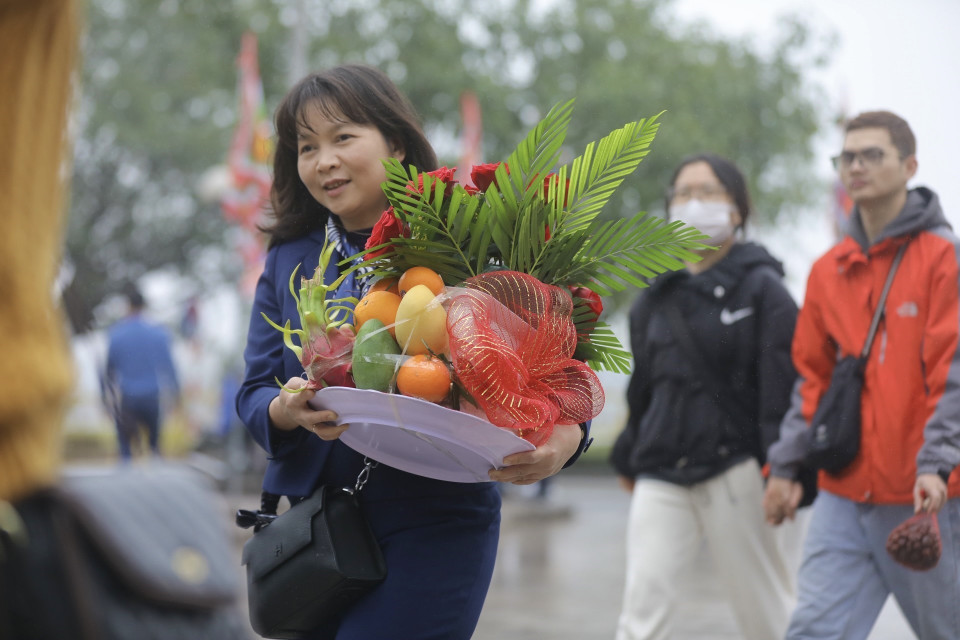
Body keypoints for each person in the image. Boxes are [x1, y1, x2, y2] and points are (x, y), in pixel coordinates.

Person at [235, 64, 592, 640]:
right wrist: (285, 409)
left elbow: (554, 357)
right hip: (315, 529)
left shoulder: (463, 232)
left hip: (436, 517)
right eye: (306, 147)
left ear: (395, 142)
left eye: (342, 138)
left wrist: (567, 437)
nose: (323, 160)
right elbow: (253, 392)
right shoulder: (288, 259)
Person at [763, 111, 960, 639]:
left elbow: (955, 375)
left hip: (928, 493)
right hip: (843, 493)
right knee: (812, 630)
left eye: (873, 154)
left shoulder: (945, 260)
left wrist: (938, 462)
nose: (857, 165)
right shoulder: (829, 270)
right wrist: (785, 464)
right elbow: (812, 379)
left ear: (909, 165)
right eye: (847, 156)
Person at [609, 153, 799, 640]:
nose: (694, 202)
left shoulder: (766, 290)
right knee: (641, 615)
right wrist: (629, 457)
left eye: (709, 192)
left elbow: (784, 391)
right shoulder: (654, 297)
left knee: (767, 614)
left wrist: (784, 469)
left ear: (737, 210)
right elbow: (644, 387)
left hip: (736, 469)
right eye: (682, 193)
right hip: (660, 473)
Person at [102, 286, 181, 461]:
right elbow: (169, 368)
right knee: (154, 449)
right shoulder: (159, 334)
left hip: (128, 400)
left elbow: (108, 372)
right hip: (152, 398)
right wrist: (177, 396)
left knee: (126, 451)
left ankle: (125, 483)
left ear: (127, 306)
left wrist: (105, 400)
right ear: (144, 306)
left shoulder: (116, 334)